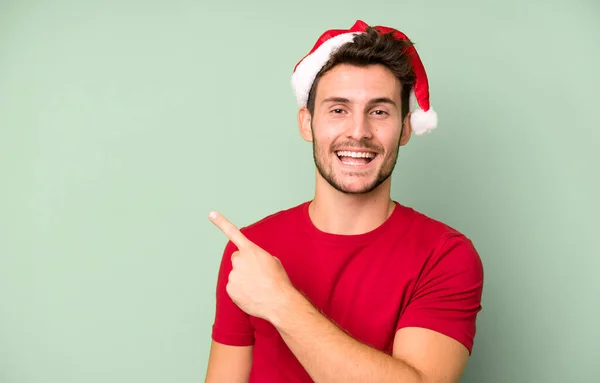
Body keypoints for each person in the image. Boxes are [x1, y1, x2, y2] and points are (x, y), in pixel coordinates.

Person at [204, 19, 484, 383]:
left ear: (405, 129)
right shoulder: (250, 252)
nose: (358, 131)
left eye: (379, 111)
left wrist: (280, 303)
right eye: (338, 109)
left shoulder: (446, 256)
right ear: (307, 124)